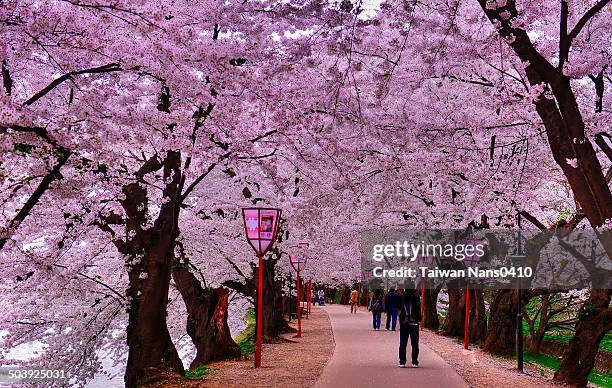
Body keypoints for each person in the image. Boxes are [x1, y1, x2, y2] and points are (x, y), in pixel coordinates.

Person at [398, 287, 421, 368]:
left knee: (403, 342)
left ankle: (402, 361)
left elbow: (399, 307)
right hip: (414, 322)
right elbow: (418, 308)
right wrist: (419, 319)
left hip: (404, 322)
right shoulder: (416, 296)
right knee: (414, 343)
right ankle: (414, 361)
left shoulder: (402, 296)